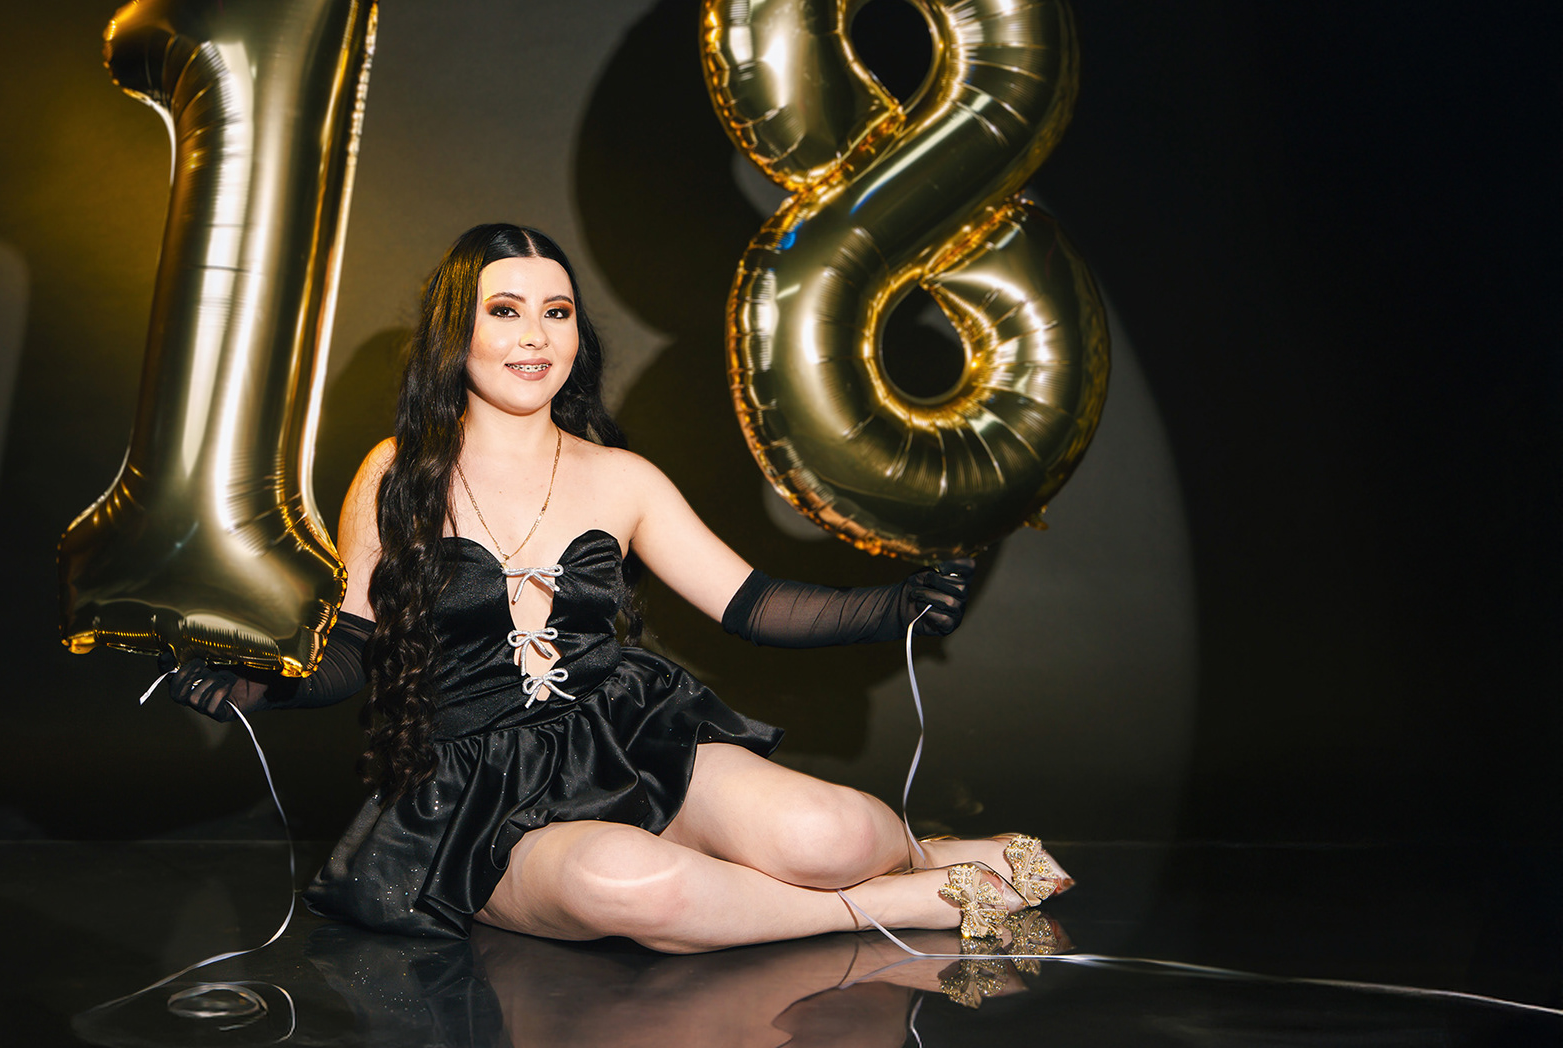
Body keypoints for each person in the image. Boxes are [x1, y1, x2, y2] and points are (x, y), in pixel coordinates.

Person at [164, 224, 1071, 952]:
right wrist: (256, 685)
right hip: (481, 794)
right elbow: (355, 648)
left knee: (831, 838)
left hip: (627, 737)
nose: (535, 336)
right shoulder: (394, 473)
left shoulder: (620, 476)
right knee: (630, 885)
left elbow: (751, 603)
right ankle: (899, 906)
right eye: (505, 310)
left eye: (556, 312)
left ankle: (928, 853)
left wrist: (896, 607)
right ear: (456, 332)